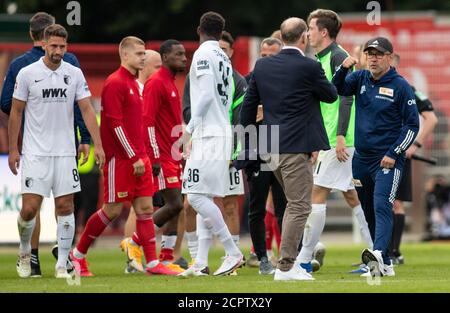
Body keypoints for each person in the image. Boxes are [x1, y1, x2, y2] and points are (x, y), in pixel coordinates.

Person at [69, 36, 178, 277]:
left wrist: (147, 155)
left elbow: (140, 124)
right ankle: (77, 255)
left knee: (146, 207)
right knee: (112, 210)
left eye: (144, 54)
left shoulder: (137, 85)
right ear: (125, 55)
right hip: (121, 160)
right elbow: (115, 124)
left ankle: (151, 263)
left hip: (140, 158)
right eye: (139, 54)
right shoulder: (115, 82)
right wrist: (133, 156)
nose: (143, 57)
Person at [240, 17, 338, 281]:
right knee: (299, 206)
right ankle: (286, 267)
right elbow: (330, 95)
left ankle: (286, 262)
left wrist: (248, 145)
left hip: (269, 145)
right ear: (304, 37)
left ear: (282, 37)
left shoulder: (262, 66)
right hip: (295, 147)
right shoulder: (309, 65)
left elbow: (246, 111)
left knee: (290, 206)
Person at [8, 24, 104, 279]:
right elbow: (16, 112)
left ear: (66, 47)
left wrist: (98, 145)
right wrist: (13, 149)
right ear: (44, 44)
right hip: (35, 153)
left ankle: (63, 264)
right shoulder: (28, 73)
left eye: (62, 46)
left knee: (66, 206)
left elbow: (85, 109)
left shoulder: (74, 73)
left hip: (65, 153)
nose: (58, 51)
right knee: (29, 209)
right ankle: (25, 250)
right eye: (54, 46)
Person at [332, 37, 420, 277]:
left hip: (387, 160)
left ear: (389, 58)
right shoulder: (360, 78)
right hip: (361, 159)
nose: (372, 58)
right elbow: (336, 89)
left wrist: (394, 153)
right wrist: (344, 67)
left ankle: (379, 255)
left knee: (382, 205)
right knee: (369, 209)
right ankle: (386, 263)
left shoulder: (401, 86)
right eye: (369, 53)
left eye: (378, 54)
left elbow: (412, 125)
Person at [296, 9, 372, 274]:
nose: (308, 33)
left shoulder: (338, 56)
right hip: (336, 139)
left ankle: (303, 260)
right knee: (353, 196)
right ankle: (378, 257)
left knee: (317, 194)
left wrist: (339, 136)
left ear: (323, 32)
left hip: (340, 140)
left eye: (311, 28)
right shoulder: (325, 57)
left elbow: (347, 96)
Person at [178, 11, 244, 277]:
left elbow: (204, 96)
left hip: (209, 134)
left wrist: (189, 130)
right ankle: (201, 262)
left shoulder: (203, 55)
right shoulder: (224, 58)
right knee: (203, 196)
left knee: (194, 195)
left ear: (199, 30)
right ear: (220, 32)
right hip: (222, 132)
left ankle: (232, 251)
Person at [240, 37, 287, 275]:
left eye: (272, 56)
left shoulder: (287, 82)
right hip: (257, 154)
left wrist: (267, 112)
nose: (266, 60)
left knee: (285, 208)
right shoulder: (248, 81)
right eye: (263, 56)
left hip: (282, 153)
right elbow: (240, 117)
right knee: (257, 208)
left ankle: (291, 256)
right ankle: (262, 258)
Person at [389, 53, 438, 264]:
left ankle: (394, 252)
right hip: (375, 152)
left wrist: (414, 144)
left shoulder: (406, 88)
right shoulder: (367, 85)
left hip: (397, 152)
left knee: (394, 202)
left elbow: (431, 118)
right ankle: (381, 251)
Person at [119, 49, 163, 273]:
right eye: (157, 66)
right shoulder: (135, 89)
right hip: (137, 156)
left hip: (148, 155)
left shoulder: (147, 89)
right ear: (144, 66)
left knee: (146, 208)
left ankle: (146, 258)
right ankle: (132, 259)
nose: (160, 70)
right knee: (136, 208)